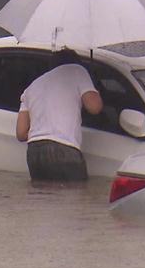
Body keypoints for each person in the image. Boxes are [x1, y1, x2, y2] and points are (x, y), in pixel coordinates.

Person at [16, 49, 103, 181]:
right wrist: (95, 90)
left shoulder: (32, 87)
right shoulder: (77, 70)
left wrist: (44, 130)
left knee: (43, 198)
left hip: (34, 152)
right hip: (63, 149)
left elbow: (21, 133)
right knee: (75, 198)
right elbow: (94, 108)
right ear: (76, 62)